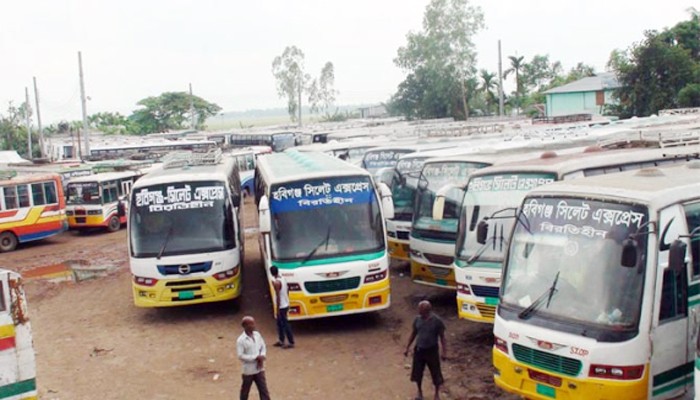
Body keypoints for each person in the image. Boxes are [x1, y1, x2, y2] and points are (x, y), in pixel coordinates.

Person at [404, 300, 447, 400]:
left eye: (420, 309)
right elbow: (413, 333)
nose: (418, 311)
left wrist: (444, 352)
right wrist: (407, 347)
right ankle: (419, 392)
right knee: (418, 372)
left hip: (432, 350)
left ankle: (436, 394)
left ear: (426, 310)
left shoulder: (437, 321)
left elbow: (442, 337)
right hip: (419, 350)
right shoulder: (417, 320)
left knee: (435, 372)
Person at [236, 316, 271, 400]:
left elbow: (263, 346)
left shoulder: (257, 335)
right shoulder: (241, 340)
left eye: (253, 323)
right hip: (249, 370)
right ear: (245, 326)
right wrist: (255, 357)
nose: (253, 325)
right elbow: (240, 356)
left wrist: (262, 356)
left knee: (263, 390)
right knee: (245, 390)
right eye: (250, 324)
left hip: (259, 368)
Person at [270, 266, 295, 349]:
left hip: (281, 306)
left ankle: (290, 341)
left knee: (284, 324)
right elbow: (287, 290)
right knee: (280, 324)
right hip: (285, 304)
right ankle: (281, 340)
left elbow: (278, 296)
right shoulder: (283, 279)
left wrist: (277, 309)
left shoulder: (276, 283)